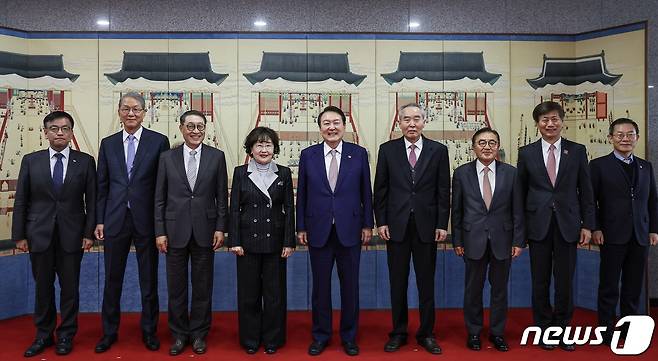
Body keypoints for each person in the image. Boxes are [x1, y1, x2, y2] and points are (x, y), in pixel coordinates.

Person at [12, 111, 96, 357]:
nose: (60, 132)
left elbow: (92, 202)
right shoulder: (31, 160)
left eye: (65, 128)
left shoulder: (85, 161)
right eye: (55, 128)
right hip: (39, 235)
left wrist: (88, 233)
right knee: (43, 288)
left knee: (70, 289)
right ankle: (43, 335)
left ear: (71, 132)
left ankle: (66, 335)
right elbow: (21, 201)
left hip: (72, 236)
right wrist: (19, 235)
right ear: (45, 132)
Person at [516, 101, 594, 351]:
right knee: (539, 281)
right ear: (537, 124)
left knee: (564, 281)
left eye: (554, 119)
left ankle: (563, 329)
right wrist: (521, 230)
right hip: (537, 225)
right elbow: (520, 193)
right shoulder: (526, 152)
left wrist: (588, 225)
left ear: (562, 121)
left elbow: (587, 191)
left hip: (568, 224)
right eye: (544, 120)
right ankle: (544, 328)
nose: (550, 124)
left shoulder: (577, 150)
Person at [95, 92, 170, 353]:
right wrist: (100, 220)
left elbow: (163, 187)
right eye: (126, 109)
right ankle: (108, 332)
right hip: (115, 219)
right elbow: (101, 186)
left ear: (144, 112)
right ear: (118, 111)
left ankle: (149, 331)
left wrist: (162, 225)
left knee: (148, 280)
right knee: (112, 279)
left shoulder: (159, 141)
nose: (131, 113)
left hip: (147, 220)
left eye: (136, 109)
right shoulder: (108, 143)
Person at [296, 105, 373, 356]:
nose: (331, 127)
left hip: (350, 229)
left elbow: (366, 193)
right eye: (326, 123)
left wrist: (367, 224)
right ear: (320, 128)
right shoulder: (308, 155)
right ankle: (321, 335)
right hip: (318, 230)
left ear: (344, 125)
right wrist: (301, 226)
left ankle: (349, 336)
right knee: (320, 288)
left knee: (350, 287)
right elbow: (303, 194)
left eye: (336, 122)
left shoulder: (359, 154)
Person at [374, 103, 450, 355]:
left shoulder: (439, 151)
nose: (412, 124)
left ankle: (427, 333)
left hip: (427, 227)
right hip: (395, 227)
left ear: (424, 122)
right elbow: (381, 190)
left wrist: (442, 223)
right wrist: (381, 221)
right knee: (398, 282)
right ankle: (398, 332)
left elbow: (443, 191)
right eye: (406, 119)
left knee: (426, 283)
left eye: (417, 119)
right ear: (399, 123)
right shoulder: (387, 150)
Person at [154, 110, 228, 355]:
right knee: (176, 287)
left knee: (202, 286)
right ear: (181, 128)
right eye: (191, 126)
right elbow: (160, 199)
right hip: (173, 232)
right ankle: (178, 335)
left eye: (200, 126)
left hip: (206, 231)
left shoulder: (216, 157)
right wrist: (160, 231)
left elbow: (221, 197)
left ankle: (198, 334)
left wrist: (220, 227)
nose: (196, 131)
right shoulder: (167, 158)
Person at [451, 127, 524, 352]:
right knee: (473, 289)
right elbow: (458, 211)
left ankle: (497, 333)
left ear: (498, 147)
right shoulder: (462, 173)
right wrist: (458, 241)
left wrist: (518, 241)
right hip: (472, 240)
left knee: (499, 290)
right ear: (473, 147)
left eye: (492, 142)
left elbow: (518, 210)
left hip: (503, 240)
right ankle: (473, 332)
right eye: (481, 142)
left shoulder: (511, 173)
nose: (487, 147)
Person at [227, 127, 295, 355]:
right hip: (246, 243)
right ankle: (250, 339)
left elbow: (289, 209)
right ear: (251, 149)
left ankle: (273, 338)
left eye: (268, 145)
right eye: (259, 145)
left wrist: (289, 242)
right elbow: (234, 210)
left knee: (275, 295)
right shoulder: (240, 173)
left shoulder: (284, 173)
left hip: (275, 242)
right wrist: (234, 240)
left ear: (274, 149)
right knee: (249, 295)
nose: (264, 149)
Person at [590, 118, 658, 345]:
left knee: (633, 286)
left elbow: (652, 200)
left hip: (640, 235)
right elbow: (591, 202)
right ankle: (606, 330)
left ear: (637, 138)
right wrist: (596, 227)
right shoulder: (598, 166)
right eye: (620, 134)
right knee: (609, 285)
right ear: (611, 138)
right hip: (611, 235)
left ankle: (628, 328)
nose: (625, 139)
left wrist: (653, 229)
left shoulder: (645, 166)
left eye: (630, 134)